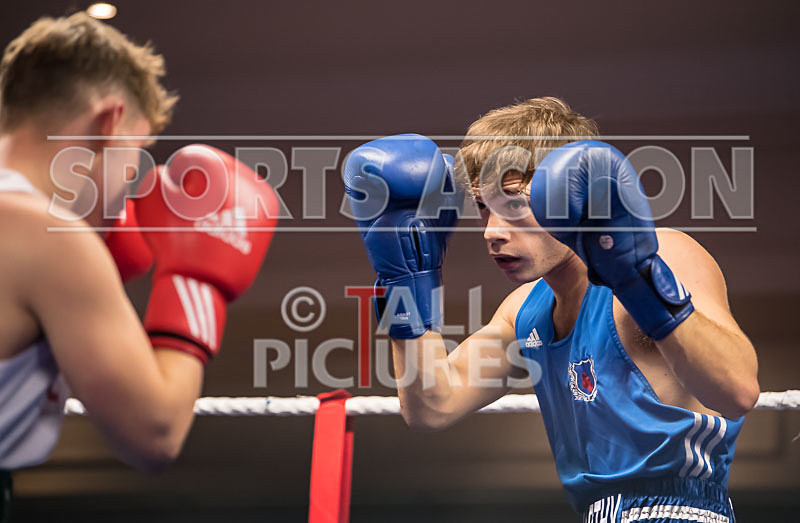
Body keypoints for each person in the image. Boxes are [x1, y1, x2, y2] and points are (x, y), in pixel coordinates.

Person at [344, 97, 760, 521]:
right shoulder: (525, 310)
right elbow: (432, 406)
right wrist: (406, 287)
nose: (491, 231)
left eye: (515, 204)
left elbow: (738, 390)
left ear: (570, 195)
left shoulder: (666, 251)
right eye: (484, 207)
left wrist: (639, 282)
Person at [0, 12, 278, 520]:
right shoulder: (49, 237)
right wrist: (196, 282)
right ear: (109, 123)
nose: (128, 192)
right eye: (133, 162)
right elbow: (155, 433)